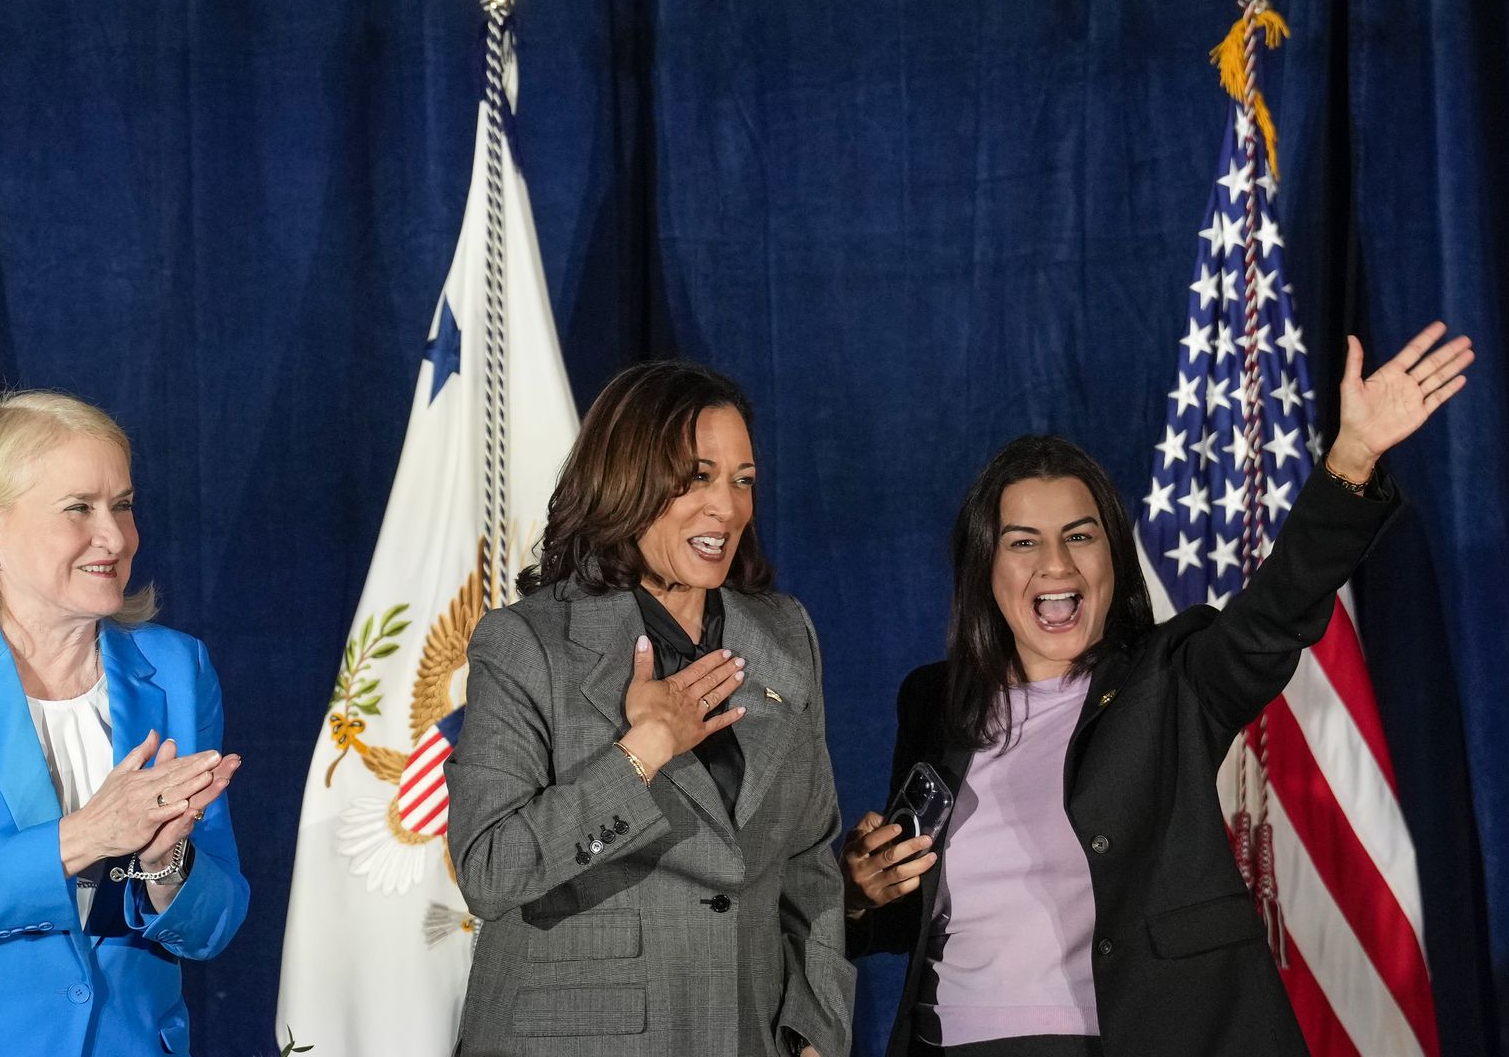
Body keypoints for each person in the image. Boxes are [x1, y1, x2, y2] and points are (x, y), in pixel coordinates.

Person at [843, 322, 1474, 1057]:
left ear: (1114, 559)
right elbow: (901, 917)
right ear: (985, 569)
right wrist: (859, 891)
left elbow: (1276, 614)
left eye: (1081, 536)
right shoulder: (934, 701)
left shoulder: (1170, 679)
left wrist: (1352, 459)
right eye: (1023, 542)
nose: (1056, 564)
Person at [447, 361, 854, 1057]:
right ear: (625, 481)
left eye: (742, 480)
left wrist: (814, 1029)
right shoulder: (527, 645)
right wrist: (640, 754)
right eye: (696, 477)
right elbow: (490, 872)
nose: (725, 507)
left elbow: (809, 860)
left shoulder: (784, 636)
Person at [0, 391, 250, 1056]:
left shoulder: (176, 667)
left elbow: (215, 923)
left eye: (122, 505)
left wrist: (165, 859)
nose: (114, 537)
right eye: (78, 509)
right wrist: (88, 835)